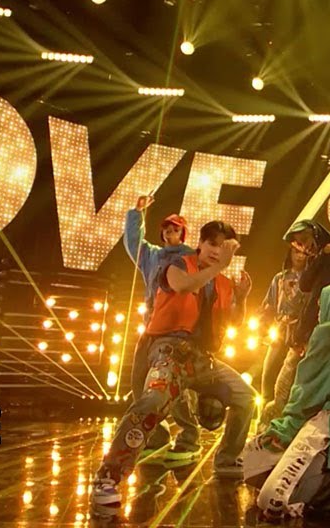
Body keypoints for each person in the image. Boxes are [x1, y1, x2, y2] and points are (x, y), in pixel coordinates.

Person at [92, 221, 256, 509]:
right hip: (168, 351)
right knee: (152, 401)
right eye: (213, 244)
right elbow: (183, 286)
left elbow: (234, 322)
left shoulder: (223, 283)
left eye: (224, 247)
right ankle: (108, 477)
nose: (217, 251)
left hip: (203, 359)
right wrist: (220, 266)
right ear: (200, 244)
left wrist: (241, 299)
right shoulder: (177, 264)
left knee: (246, 397)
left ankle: (228, 459)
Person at [243, 283, 330, 519]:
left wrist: (282, 431)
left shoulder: (328, 332)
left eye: (322, 305)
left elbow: (305, 391)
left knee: (267, 490)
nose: (319, 310)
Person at [123, 196, 200, 463]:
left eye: (175, 229)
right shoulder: (153, 256)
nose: (169, 232)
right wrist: (137, 213)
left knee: (171, 385)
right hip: (150, 327)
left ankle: (189, 435)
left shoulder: (191, 258)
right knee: (139, 380)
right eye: (166, 229)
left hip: (175, 331)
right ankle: (156, 435)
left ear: (182, 233)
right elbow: (134, 242)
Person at [261, 220, 330, 424]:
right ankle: (275, 425)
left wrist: (302, 332)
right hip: (304, 331)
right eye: (298, 245)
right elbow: (305, 284)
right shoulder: (319, 257)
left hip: (323, 333)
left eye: (305, 240)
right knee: (281, 381)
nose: (303, 248)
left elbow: (320, 296)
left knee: (297, 385)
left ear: (315, 233)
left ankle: (281, 426)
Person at [257, 244, 309, 411]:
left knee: (292, 380)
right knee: (268, 374)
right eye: (296, 251)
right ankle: (264, 417)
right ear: (290, 253)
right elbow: (269, 306)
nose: (299, 256)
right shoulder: (279, 278)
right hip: (280, 330)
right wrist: (263, 327)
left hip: (300, 332)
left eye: (303, 253)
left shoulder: (310, 279)